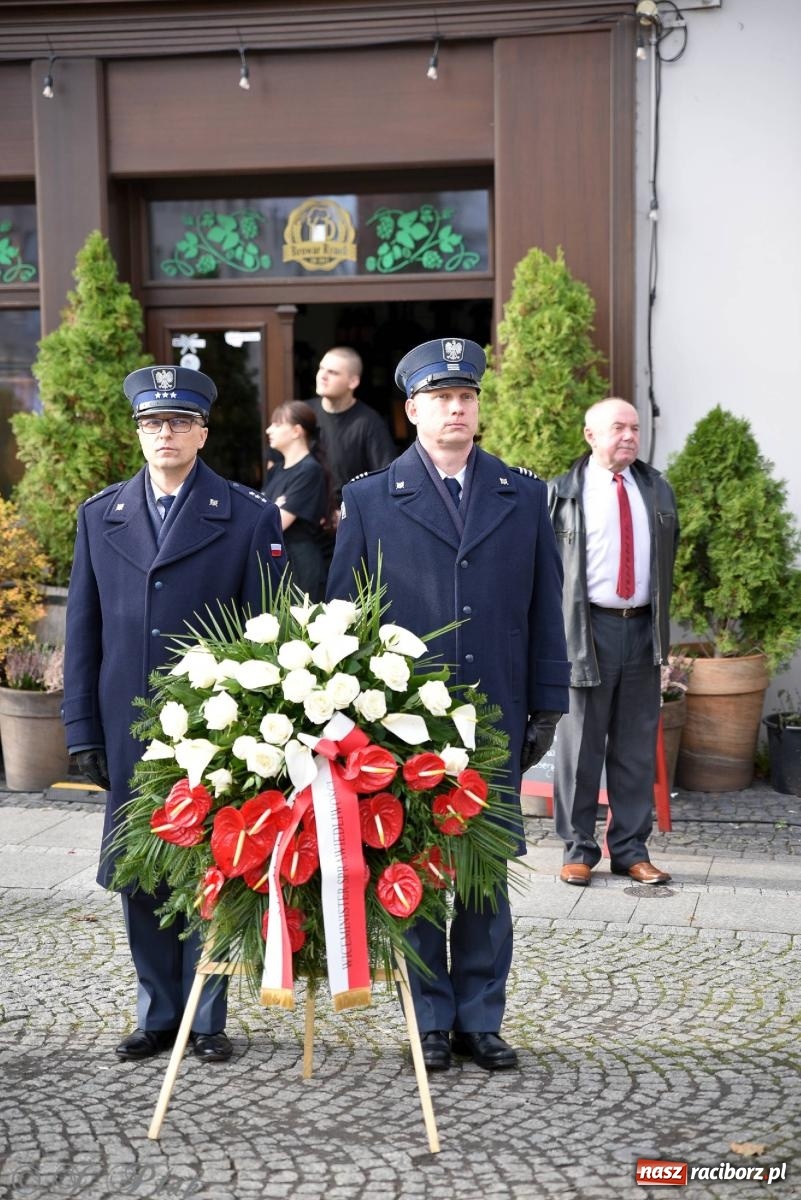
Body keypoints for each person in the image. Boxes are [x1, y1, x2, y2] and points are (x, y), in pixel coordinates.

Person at [326, 337, 570, 1072]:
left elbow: (542, 604)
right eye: (439, 398)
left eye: (465, 397)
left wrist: (548, 704)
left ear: (477, 407)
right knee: (417, 869)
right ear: (412, 410)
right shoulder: (369, 498)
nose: (455, 408)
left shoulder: (523, 494)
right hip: (404, 724)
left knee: (485, 874)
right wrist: (351, 715)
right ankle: (427, 1019)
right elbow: (342, 615)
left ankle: (479, 1019)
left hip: (495, 715)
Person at [62, 365, 285, 1064]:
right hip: (130, 727)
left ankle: (205, 1014)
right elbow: (83, 629)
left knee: (210, 869)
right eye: (154, 422)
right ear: (139, 432)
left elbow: (269, 628)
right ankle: (158, 1011)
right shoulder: (101, 515)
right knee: (139, 874)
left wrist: (263, 729)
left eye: (180, 422)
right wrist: (79, 730)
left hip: (216, 731)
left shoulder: (246, 514)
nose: (166, 433)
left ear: (203, 431)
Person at [548, 397, 678, 888]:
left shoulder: (657, 489)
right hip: (587, 628)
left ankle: (630, 849)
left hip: (642, 629)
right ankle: (578, 848)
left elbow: (667, 561)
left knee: (636, 746)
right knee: (580, 745)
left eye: (635, 428)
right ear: (591, 435)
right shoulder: (563, 493)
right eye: (618, 428)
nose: (629, 436)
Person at [306, 346, 397, 513]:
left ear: (353, 382)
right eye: (321, 368)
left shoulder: (370, 422)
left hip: (350, 515)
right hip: (306, 514)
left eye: (332, 372)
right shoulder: (305, 415)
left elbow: (385, 479)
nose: (322, 376)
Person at [262, 400, 333, 602]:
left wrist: (272, 509)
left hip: (299, 565)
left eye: (276, 424)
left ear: (296, 431)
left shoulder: (309, 470)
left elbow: (275, 523)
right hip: (278, 561)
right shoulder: (275, 470)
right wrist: (275, 506)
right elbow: (259, 515)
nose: (269, 430)